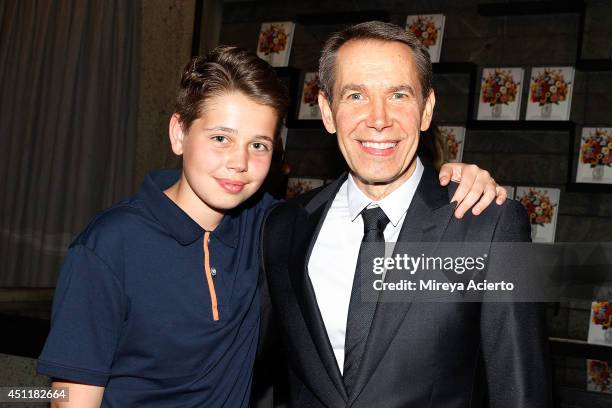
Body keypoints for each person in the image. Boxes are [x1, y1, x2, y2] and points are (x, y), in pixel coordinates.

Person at [37, 46, 505, 407]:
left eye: (258, 145)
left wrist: (453, 177)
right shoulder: (108, 246)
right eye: (220, 138)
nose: (238, 163)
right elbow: (69, 397)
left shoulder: (272, 228)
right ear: (179, 133)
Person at [260, 21, 550, 407]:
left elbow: (521, 389)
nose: (379, 119)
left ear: (426, 109)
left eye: (398, 94)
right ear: (327, 111)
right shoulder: (283, 227)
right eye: (355, 96)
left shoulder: (489, 224)